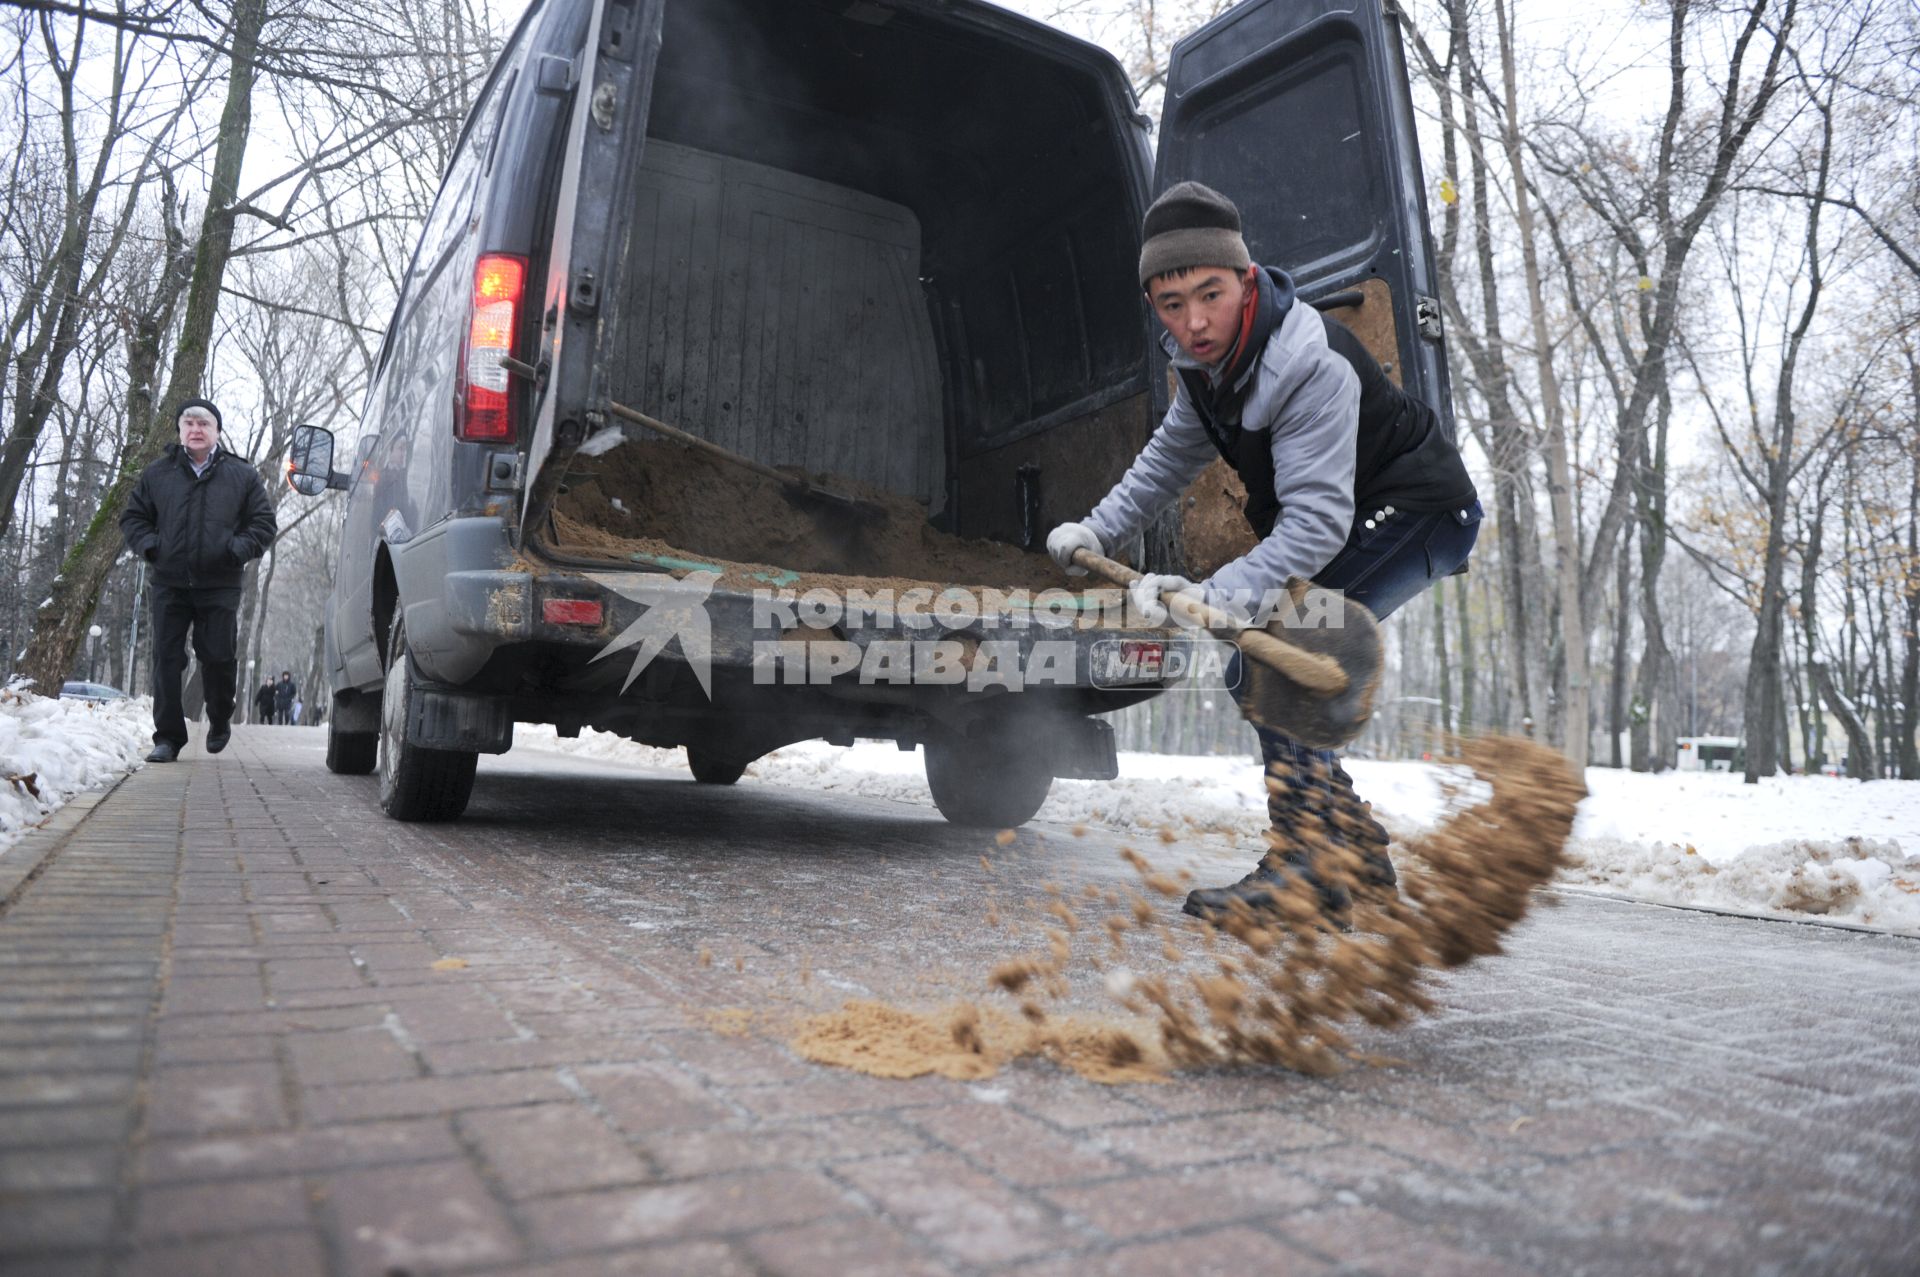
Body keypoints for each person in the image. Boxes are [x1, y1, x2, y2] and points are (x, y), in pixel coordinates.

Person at [1047, 182, 1480, 927]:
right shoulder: (1206, 367)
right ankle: (1356, 855)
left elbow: (1312, 526)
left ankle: (1309, 862)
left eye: (1209, 294)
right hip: (1351, 515)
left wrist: (1218, 591)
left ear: (1246, 281)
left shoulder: (1304, 364)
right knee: (1262, 657)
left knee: (1268, 655)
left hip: (1419, 513)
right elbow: (1165, 463)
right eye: (1171, 303)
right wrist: (1096, 529)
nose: (1194, 321)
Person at [120, 398, 276, 761]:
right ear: (179, 430)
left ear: (217, 431)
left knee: (218, 657)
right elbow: (133, 518)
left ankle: (220, 717)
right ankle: (168, 739)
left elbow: (263, 523)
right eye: (188, 423)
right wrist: (152, 547)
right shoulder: (158, 474)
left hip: (220, 584)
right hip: (170, 583)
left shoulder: (242, 475)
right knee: (166, 659)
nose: (195, 429)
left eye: (204, 423)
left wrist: (236, 550)